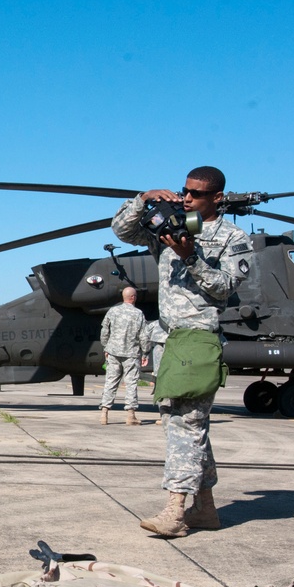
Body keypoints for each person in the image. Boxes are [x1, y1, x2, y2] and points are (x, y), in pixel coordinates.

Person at [112, 166, 250, 537]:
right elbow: (122, 231)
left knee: (183, 424)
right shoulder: (173, 227)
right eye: (184, 190)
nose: (187, 197)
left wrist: (191, 257)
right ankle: (204, 509)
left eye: (197, 193)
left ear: (217, 198)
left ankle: (174, 511)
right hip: (170, 337)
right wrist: (142, 200)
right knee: (186, 423)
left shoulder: (232, 238)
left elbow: (223, 288)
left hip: (199, 337)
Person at [98, 287, 148, 426]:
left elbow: (104, 331)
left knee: (110, 381)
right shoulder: (138, 314)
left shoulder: (113, 311)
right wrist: (146, 352)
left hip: (113, 352)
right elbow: (144, 336)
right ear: (133, 297)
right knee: (131, 383)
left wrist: (105, 347)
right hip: (131, 353)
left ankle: (104, 414)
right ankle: (130, 415)